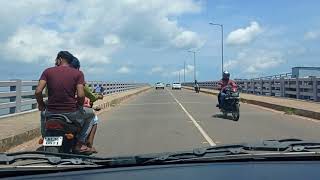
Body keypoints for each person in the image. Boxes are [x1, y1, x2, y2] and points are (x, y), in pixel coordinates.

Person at [35, 51, 96, 154]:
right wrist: (79, 106)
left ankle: (45, 137)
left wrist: (41, 104)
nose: (55, 62)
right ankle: (80, 144)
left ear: (60, 59)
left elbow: (38, 91)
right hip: (71, 112)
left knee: (42, 114)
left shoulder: (47, 71)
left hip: (51, 112)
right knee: (92, 116)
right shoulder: (78, 74)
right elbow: (81, 95)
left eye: (56, 60)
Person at [70, 58, 103, 150]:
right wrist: (97, 97)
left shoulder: (55, 76)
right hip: (73, 109)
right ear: (77, 68)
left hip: (54, 109)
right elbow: (89, 95)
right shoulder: (78, 78)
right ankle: (84, 143)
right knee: (93, 117)